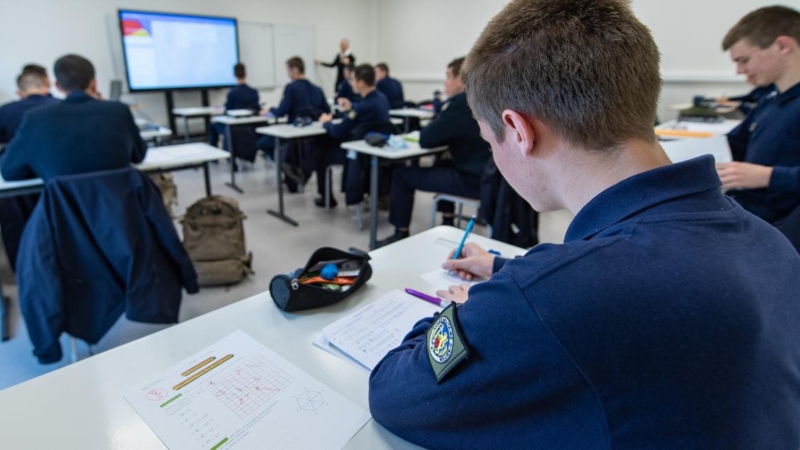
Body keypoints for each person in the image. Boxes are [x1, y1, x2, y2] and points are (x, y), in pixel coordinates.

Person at [368, 1, 800, 448]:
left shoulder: (548, 297)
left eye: (488, 138)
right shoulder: (770, 243)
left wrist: (463, 308)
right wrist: (500, 269)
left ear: (518, 130)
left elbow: (395, 392)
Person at [376, 57, 491, 247]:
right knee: (442, 162)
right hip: (488, 179)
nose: (445, 82)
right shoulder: (484, 101)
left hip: (472, 181)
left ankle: (400, 232)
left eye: (448, 77)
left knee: (402, 175)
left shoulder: (459, 104)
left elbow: (426, 138)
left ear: (461, 81)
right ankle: (448, 219)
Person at [1, 54, 146, 181]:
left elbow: (9, 171)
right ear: (94, 82)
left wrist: (44, 170)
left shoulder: (36, 117)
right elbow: (138, 156)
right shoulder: (118, 110)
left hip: (65, 209)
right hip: (120, 206)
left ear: (57, 86)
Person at [718, 6, 800, 226]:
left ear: (783, 45)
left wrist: (768, 177)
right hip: (747, 208)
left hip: (780, 224)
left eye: (744, 60)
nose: (739, 70)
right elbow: (734, 141)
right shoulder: (770, 98)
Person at [0, 65, 60, 271]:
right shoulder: (62, 106)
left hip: (19, 192)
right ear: (48, 84)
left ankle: (26, 269)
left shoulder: (5, 112)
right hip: (62, 185)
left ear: (19, 93)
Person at [317, 64, 390, 208]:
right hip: (375, 149)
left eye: (352, 80)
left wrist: (326, 123)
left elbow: (339, 131)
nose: (350, 83)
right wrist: (352, 107)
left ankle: (327, 199)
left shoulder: (363, 107)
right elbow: (363, 110)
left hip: (358, 155)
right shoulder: (382, 99)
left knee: (321, 155)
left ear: (361, 82)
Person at [257, 56, 330, 191]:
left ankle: (286, 168)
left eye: (288, 71)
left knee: (263, 143)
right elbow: (327, 111)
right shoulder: (317, 89)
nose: (287, 74)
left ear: (295, 70)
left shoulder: (291, 88)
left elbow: (281, 111)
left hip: (294, 135)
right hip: (315, 134)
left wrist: (268, 110)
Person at [0, 66, 59, 144]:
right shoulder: (64, 107)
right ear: (45, 87)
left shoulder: (5, 111)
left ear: (19, 92)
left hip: (17, 155)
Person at [208, 63, 260, 149]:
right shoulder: (253, 92)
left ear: (234, 75)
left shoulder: (232, 93)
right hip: (250, 127)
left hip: (234, 128)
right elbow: (257, 110)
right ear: (246, 74)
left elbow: (227, 111)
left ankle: (214, 157)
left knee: (213, 126)